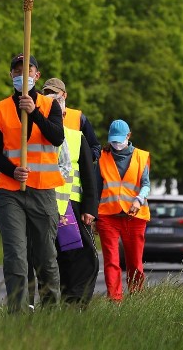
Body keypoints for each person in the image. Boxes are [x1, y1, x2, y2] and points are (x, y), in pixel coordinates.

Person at [0, 53, 65, 313]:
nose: (23, 74)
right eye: (17, 70)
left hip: (43, 191)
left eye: (28, 70)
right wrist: (12, 170)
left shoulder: (49, 105)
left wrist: (35, 113)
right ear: (11, 75)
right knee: (16, 258)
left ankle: (51, 313)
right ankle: (17, 315)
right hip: (10, 192)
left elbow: (56, 138)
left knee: (46, 258)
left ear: (37, 75)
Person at [40, 82, 100, 308]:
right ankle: (55, 305)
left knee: (82, 259)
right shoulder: (35, 138)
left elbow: (88, 177)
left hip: (70, 209)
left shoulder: (76, 137)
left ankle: (75, 304)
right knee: (51, 260)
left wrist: (89, 209)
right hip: (43, 208)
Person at [94, 119, 151, 301]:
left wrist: (138, 200)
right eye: (113, 140)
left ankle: (136, 298)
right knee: (111, 262)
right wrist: (94, 216)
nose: (116, 144)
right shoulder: (102, 157)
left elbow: (146, 185)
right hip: (107, 216)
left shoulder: (141, 156)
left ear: (129, 136)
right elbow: (96, 189)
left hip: (134, 216)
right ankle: (115, 301)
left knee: (135, 262)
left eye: (120, 139)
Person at [41, 77, 101, 163]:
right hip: (45, 173)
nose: (50, 96)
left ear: (64, 95)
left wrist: (83, 159)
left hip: (70, 175)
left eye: (54, 92)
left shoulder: (78, 118)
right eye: (47, 93)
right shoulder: (37, 116)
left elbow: (95, 148)